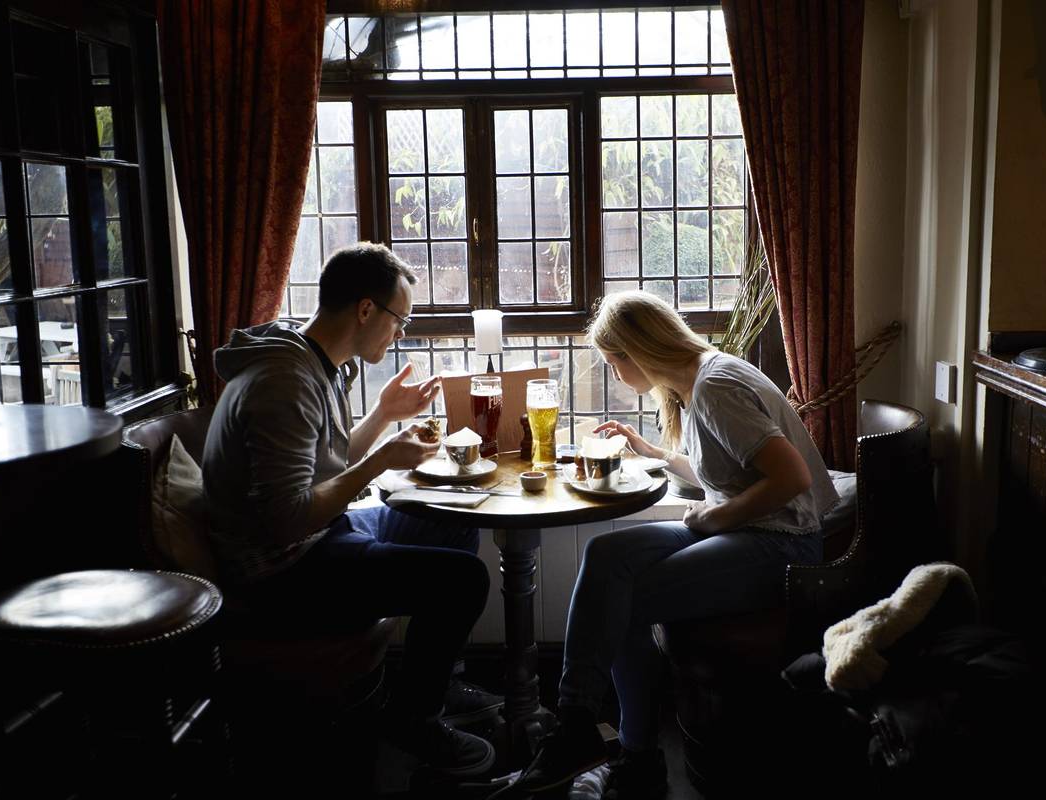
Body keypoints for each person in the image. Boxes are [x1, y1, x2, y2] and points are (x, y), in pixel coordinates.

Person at [504, 291, 839, 799]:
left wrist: (714, 515)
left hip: (782, 544)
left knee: (623, 601)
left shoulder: (716, 387)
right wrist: (652, 452)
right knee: (606, 555)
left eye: (612, 364)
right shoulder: (703, 377)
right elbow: (722, 470)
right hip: (743, 528)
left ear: (634, 351)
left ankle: (629, 754)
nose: (615, 376)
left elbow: (790, 477)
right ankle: (578, 727)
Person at [202, 242, 498, 777]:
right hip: (279, 570)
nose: (399, 333)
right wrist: (382, 458)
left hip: (313, 538)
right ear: (366, 309)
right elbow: (287, 519)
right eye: (399, 320)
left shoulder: (310, 360)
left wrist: (384, 414)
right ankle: (414, 719)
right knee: (465, 580)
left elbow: (324, 467)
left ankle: (436, 684)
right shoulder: (283, 382)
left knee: (450, 519)